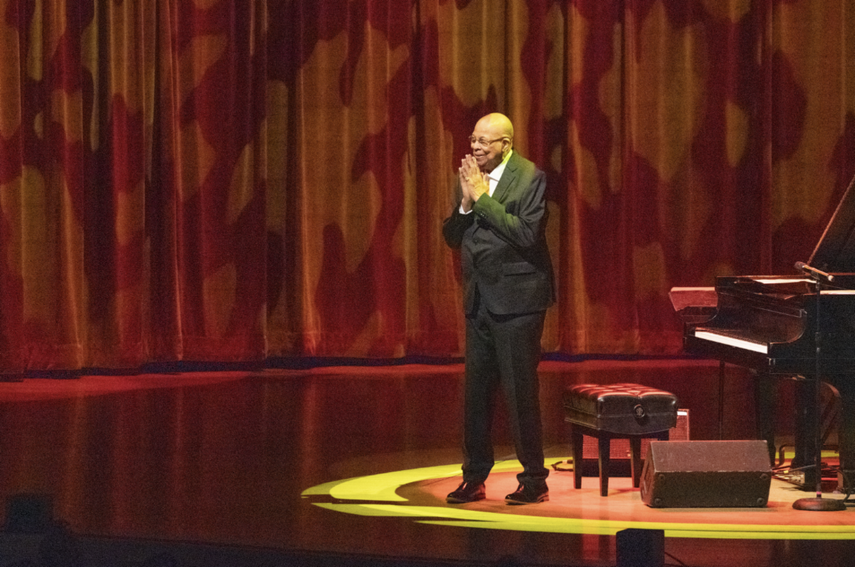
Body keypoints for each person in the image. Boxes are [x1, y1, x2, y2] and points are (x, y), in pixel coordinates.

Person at [442, 112, 555, 505]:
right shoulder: (470, 176)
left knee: (519, 393)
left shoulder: (530, 177)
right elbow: (452, 237)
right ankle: (473, 476)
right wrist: (465, 207)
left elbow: (526, 233)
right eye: (473, 139)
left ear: (505, 145)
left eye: (484, 142)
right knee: (476, 395)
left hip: (519, 301)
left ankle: (534, 480)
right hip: (479, 301)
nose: (475, 147)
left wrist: (483, 199)